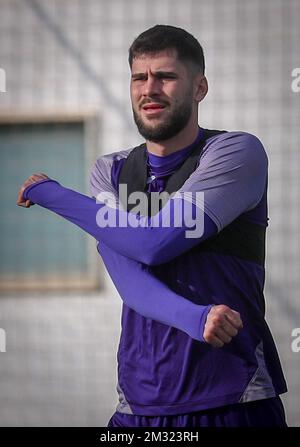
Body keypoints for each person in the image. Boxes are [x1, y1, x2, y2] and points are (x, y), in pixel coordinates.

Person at [17, 25, 287, 427]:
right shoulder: (110, 170)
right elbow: (130, 280)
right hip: (138, 405)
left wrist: (49, 192)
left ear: (200, 88)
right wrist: (195, 317)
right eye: (139, 78)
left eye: (166, 76)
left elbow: (152, 243)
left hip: (232, 398)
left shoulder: (235, 152)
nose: (149, 89)